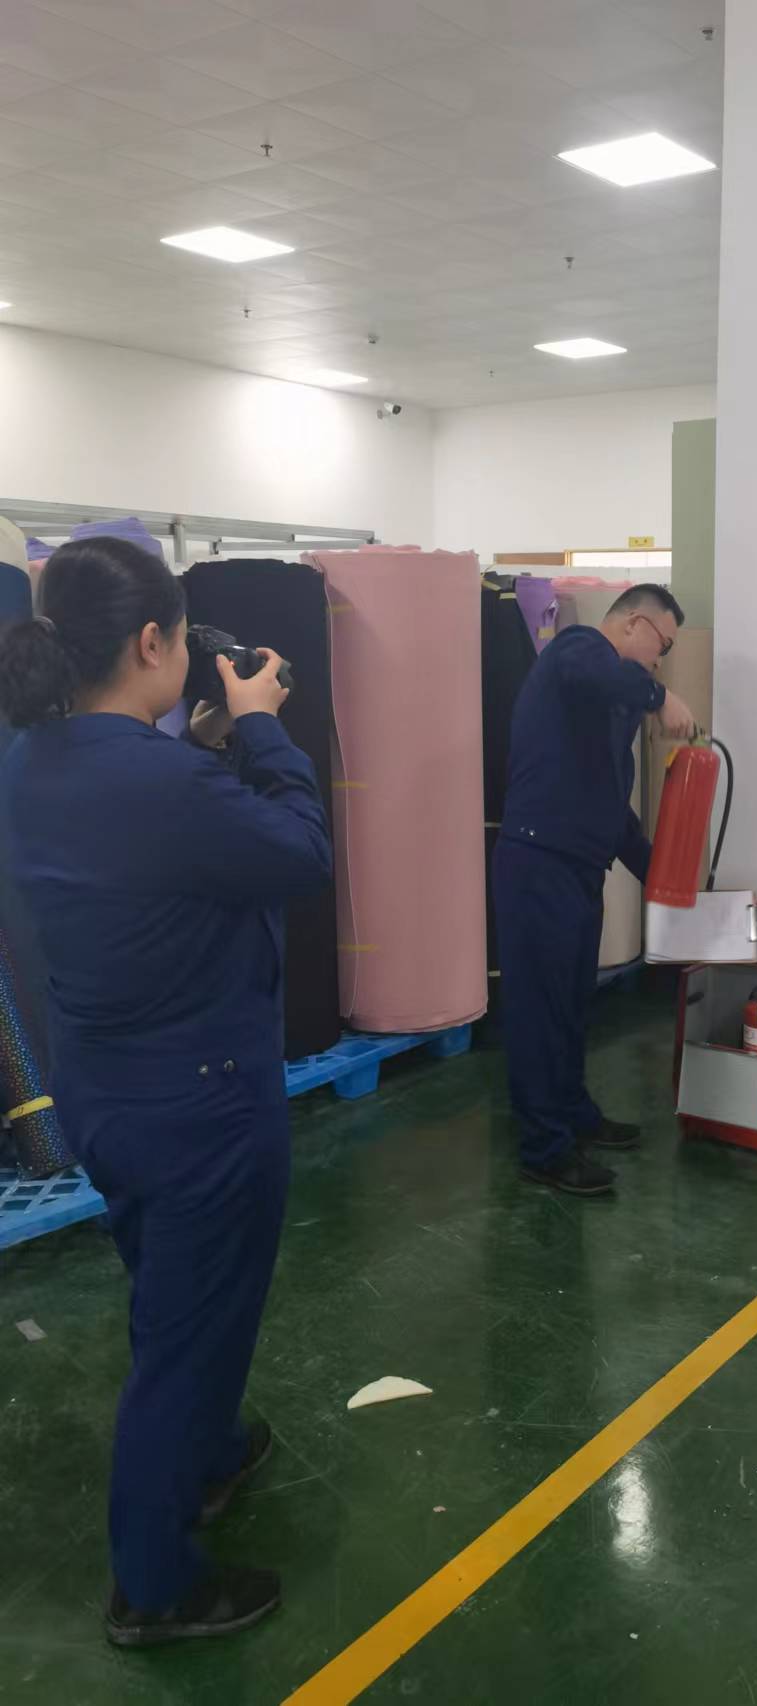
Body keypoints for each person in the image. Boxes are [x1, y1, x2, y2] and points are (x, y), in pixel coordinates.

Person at [0, 538, 332, 1646]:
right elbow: (299, 853)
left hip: (105, 1090)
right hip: (201, 1103)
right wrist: (262, 727)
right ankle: (154, 1584)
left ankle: (211, 1448)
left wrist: (201, 743)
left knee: (174, 1294)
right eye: (185, 638)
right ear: (152, 642)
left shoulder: (32, 760)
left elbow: (146, 836)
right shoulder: (162, 780)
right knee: (188, 1337)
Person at [493, 584, 696, 1198]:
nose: (659, 662)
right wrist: (660, 698)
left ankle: (573, 1113)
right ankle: (545, 1149)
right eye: (662, 646)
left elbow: (611, 810)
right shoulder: (576, 652)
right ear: (633, 623)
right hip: (538, 865)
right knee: (539, 1011)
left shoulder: (608, 706)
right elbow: (600, 673)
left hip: (578, 872)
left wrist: (665, 877)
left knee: (571, 1003)